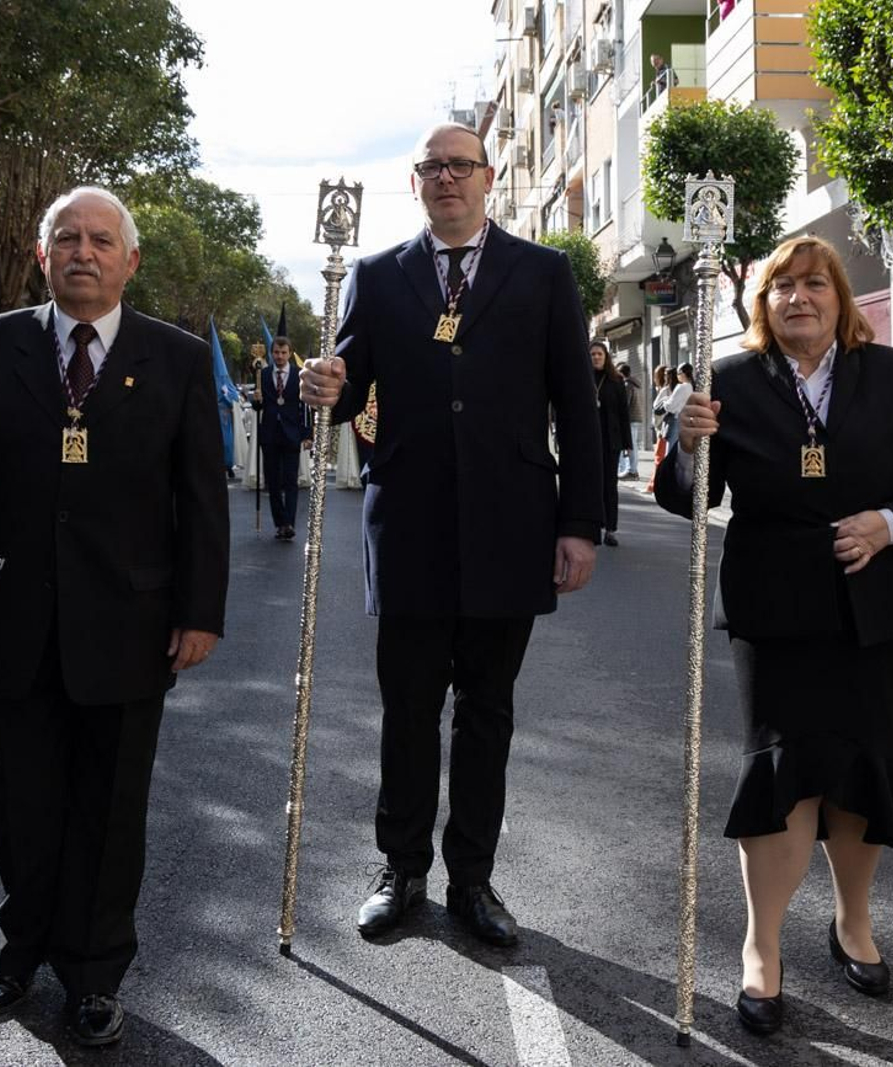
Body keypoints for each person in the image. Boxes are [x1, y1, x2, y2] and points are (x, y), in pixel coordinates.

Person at [0, 186, 229, 1048]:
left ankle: (93, 975)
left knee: (109, 807)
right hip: (17, 616)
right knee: (14, 796)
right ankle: (20, 947)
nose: (82, 252)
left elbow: (202, 498)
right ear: (42, 255)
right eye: (67, 238)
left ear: (130, 261)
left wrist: (200, 611)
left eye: (100, 240)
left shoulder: (174, 359)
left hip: (129, 625)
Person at [658, 234, 893, 1036]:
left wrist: (891, 523)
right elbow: (689, 496)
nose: (799, 297)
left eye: (815, 284)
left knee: (864, 766)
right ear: (762, 304)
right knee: (783, 774)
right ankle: (761, 949)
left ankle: (853, 924)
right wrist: (687, 446)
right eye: (782, 286)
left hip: (877, 604)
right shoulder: (727, 381)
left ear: (840, 297)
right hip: (774, 607)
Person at [299, 123, 601, 948]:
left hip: (511, 524)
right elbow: (346, 386)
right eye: (432, 167)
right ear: (416, 182)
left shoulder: (542, 272)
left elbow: (576, 407)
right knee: (407, 708)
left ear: (487, 177)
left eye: (460, 165)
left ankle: (472, 876)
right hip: (410, 527)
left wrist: (579, 524)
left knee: (487, 711)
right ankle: (400, 868)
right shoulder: (377, 275)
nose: (446, 178)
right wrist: (322, 383)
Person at [252, 336, 311, 540]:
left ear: (289, 353)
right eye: (276, 352)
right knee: (273, 482)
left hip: (292, 434)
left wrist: (307, 434)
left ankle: (289, 523)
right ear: (271, 353)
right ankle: (280, 523)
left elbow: (305, 406)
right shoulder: (263, 374)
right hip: (269, 434)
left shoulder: (299, 374)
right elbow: (258, 407)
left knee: (290, 481)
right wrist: (256, 400)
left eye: (283, 352)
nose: (279, 356)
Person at [591, 341, 634, 545]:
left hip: (611, 440)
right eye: (592, 354)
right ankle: (591, 527)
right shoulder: (582, 378)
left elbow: (623, 414)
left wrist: (627, 443)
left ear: (606, 357)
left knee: (610, 485)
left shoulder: (616, 381)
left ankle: (610, 529)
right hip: (589, 441)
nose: (596, 357)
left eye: (599, 354)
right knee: (592, 484)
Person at [644, 364, 672, 493]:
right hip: (668, 427)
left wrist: (657, 426)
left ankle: (654, 485)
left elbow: (657, 410)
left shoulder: (665, 390)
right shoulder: (670, 389)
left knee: (659, 457)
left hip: (663, 428)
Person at [616, 361, 641, 479]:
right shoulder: (634, 384)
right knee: (632, 444)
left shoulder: (627, 385)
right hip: (635, 418)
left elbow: (624, 403)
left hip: (630, 419)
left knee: (631, 445)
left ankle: (632, 470)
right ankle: (631, 469)